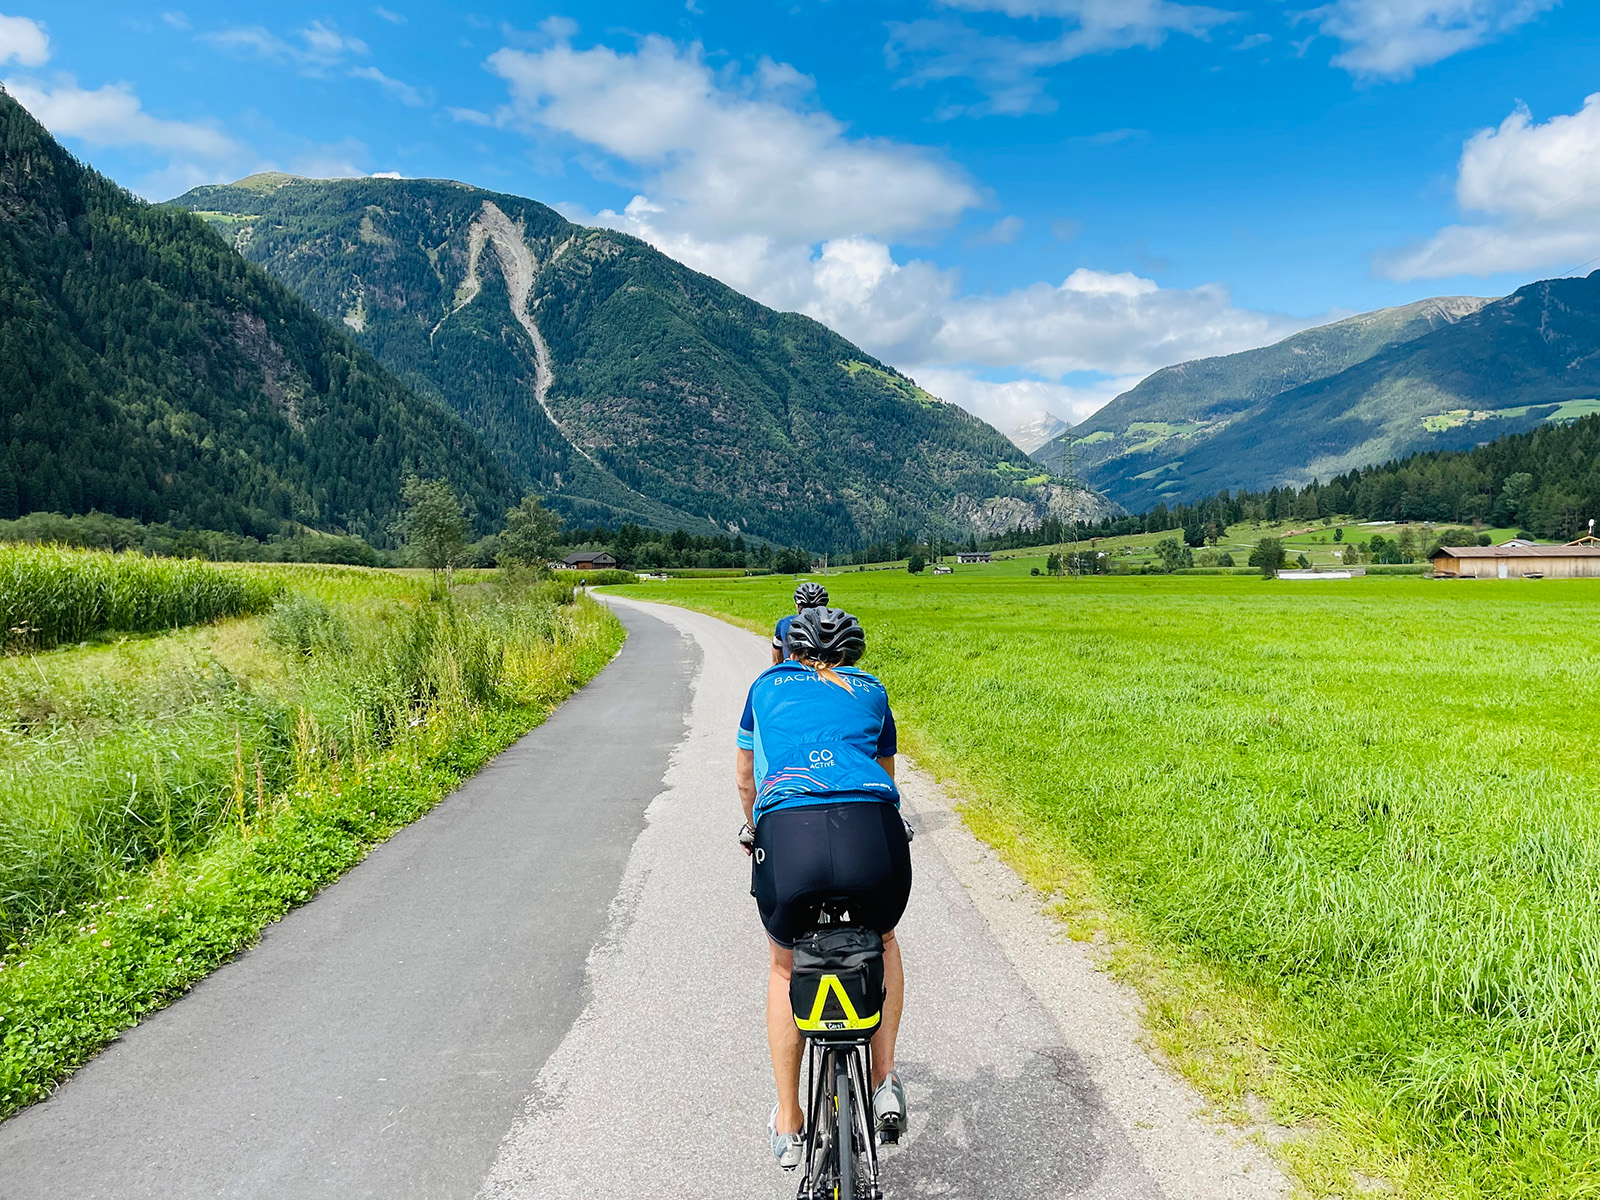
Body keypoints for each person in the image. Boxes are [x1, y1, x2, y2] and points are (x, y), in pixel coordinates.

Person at [736, 606, 911, 1169]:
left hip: (790, 837)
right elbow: (885, 775)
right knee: (883, 942)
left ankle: (789, 1122)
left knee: (784, 966)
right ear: (852, 654)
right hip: (869, 832)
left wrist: (752, 827)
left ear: (790, 650)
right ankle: (883, 1081)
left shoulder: (765, 688)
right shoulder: (874, 691)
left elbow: (746, 775)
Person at [771, 581, 829, 666]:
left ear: (797, 606)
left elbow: (776, 661)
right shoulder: (831, 625)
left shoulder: (784, 623)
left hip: (791, 672)